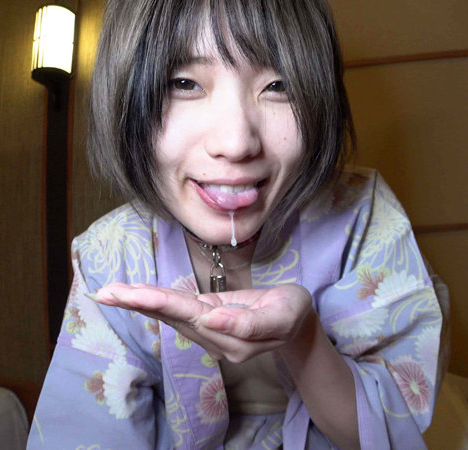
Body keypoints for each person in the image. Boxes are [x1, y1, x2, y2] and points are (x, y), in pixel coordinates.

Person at [27, 0, 446, 448]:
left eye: (279, 85)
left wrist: (303, 337)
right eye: (185, 83)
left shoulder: (361, 213)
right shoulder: (109, 255)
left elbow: (389, 433)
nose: (236, 142)